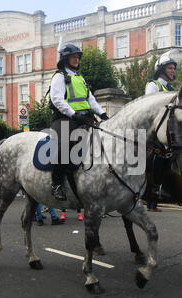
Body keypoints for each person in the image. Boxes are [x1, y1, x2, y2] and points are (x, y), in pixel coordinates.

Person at [48, 43, 108, 201]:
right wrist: (73, 115)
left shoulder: (80, 78)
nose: (76, 59)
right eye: (73, 57)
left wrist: (103, 114)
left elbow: (91, 100)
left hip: (85, 118)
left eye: (77, 57)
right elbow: (57, 100)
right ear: (65, 58)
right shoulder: (59, 76)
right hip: (64, 119)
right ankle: (57, 183)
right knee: (65, 145)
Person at [144, 50, 177, 208]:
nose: (173, 71)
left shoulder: (170, 89)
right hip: (154, 128)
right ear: (162, 69)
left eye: (173, 68)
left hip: (166, 129)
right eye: (170, 68)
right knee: (159, 154)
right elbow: (149, 108)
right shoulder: (153, 85)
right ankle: (155, 189)